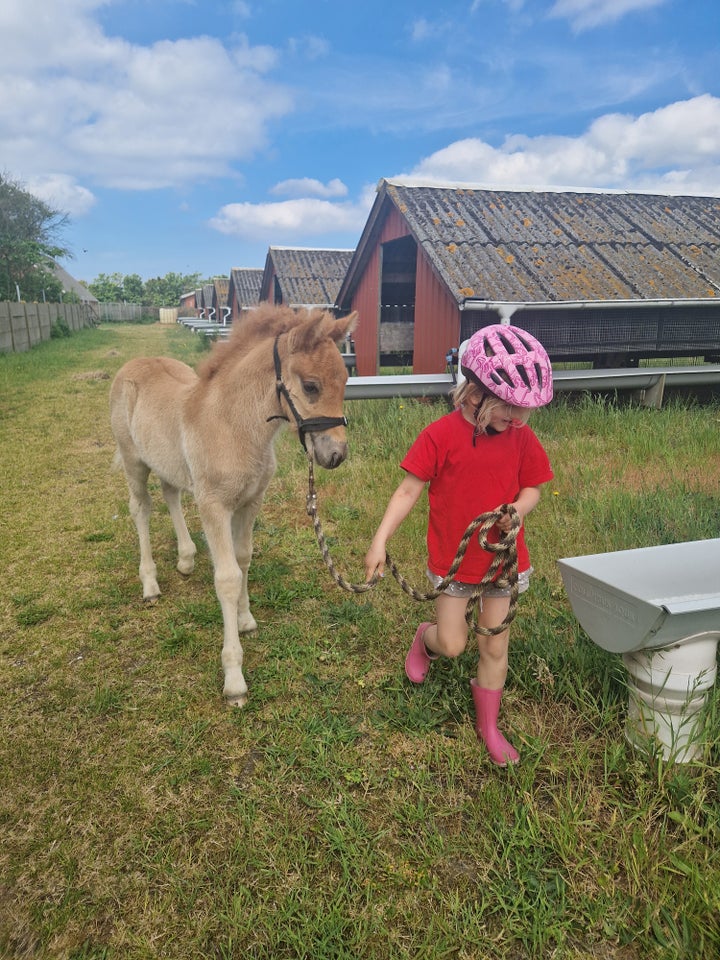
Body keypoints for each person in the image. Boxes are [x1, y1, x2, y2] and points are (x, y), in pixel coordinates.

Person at [364, 324, 554, 766]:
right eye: (510, 407)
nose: (520, 419)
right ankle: (424, 641)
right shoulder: (439, 436)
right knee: (453, 644)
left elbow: (534, 488)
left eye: (525, 409)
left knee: (494, 646)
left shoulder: (521, 438)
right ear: (474, 392)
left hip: (501, 565)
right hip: (454, 564)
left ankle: (489, 725)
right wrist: (379, 540)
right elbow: (408, 491)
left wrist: (518, 510)